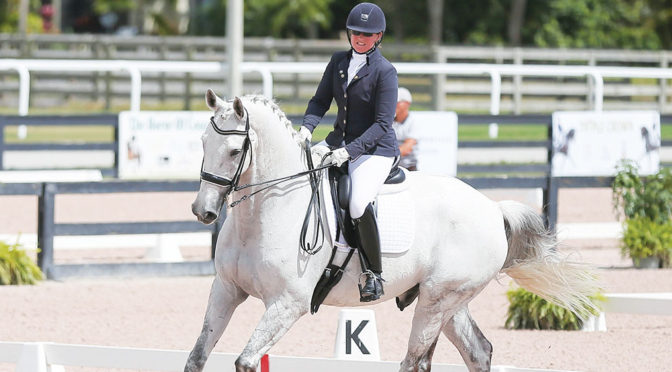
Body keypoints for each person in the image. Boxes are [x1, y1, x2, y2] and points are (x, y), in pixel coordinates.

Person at [296, 2, 398, 302]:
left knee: (356, 203)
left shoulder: (385, 72)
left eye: (367, 34)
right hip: (338, 141)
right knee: (300, 173)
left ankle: (373, 275)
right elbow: (319, 101)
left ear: (378, 36)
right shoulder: (339, 62)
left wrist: (349, 152)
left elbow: (382, 124)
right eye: (356, 32)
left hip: (375, 150)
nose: (360, 38)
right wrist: (306, 128)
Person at [393, 87, 418, 170]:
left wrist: (387, 156)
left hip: (409, 168)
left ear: (407, 103)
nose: (394, 104)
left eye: (398, 102)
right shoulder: (388, 121)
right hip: (392, 166)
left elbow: (407, 148)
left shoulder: (413, 121)